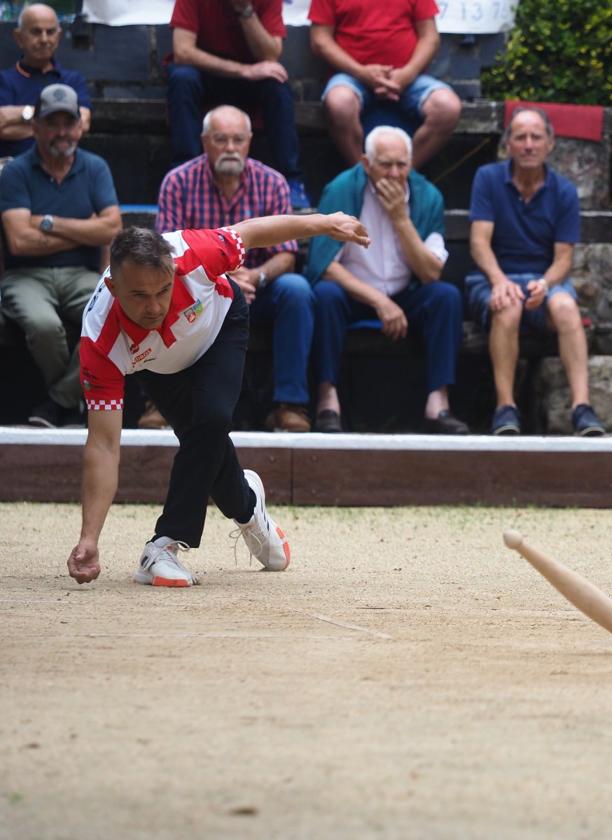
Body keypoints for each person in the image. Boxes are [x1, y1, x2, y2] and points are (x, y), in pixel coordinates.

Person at [66, 212, 370, 589]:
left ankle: (163, 545)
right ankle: (248, 507)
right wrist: (89, 538)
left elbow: (253, 231)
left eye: (163, 290)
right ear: (113, 289)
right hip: (157, 366)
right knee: (203, 439)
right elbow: (104, 444)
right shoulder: (99, 341)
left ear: (174, 271)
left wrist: (324, 223)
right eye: (139, 296)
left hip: (220, 326)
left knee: (210, 421)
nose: (155, 307)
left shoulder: (195, 253)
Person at [156, 104, 316, 433]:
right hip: (199, 292)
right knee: (161, 288)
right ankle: (162, 402)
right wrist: (221, 279)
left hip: (258, 288)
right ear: (204, 141)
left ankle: (290, 405)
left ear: (249, 141)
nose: (230, 148)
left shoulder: (272, 183)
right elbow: (167, 256)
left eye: (237, 140)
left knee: (297, 290)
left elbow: (286, 255)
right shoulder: (178, 182)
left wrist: (256, 276)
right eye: (221, 139)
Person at [307, 125, 467, 434]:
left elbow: (430, 272)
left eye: (401, 165)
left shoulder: (427, 195)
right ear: (367, 163)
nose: (394, 173)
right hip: (353, 293)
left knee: (446, 296)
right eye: (385, 164)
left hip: (405, 292)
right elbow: (324, 264)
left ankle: (439, 403)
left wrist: (400, 219)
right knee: (325, 294)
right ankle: (328, 399)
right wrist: (379, 301)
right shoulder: (341, 189)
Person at [467, 106, 605, 437]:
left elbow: (563, 259)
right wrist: (500, 282)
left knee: (566, 307)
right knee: (508, 304)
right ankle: (505, 408)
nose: (528, 145)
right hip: (493, 277)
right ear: (508, 145)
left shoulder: (564, 191)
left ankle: (581, 408)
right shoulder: (487, 178)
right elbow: (479, 243)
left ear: (550, 144)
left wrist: (544, 284)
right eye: (520, 138)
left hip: (544, 279)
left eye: (536, 137)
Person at [0, 83, 119, 427]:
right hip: (26, 276)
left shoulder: (95, 167)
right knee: (44, 326)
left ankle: (57, 402)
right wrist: (85, 231)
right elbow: (19, 241)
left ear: (80, 127)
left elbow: (111, 228)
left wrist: (47, 223)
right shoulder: (16, 172)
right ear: (35, 127)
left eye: (69, 123)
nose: (62, 132)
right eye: (53, 123)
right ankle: (73, 402)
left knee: (112, 314)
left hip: (81, 275)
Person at [166, 0, 310, 208]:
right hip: (207, 75)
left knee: (277, 85)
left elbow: (270, 55)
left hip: (249, 81)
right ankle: (184, 172)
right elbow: (183, 51)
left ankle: (291, 179)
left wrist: (246, 11)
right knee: (182, 78)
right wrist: (243, 70)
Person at [309, 0, 462, 170]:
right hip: (351, 76)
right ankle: (363, 175)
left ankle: (404, 174)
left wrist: (408, 73)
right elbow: (320, 41)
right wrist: (360, 72)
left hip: (408, 79)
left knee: (447, 107)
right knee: (339, 103)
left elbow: (430, 37)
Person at [0, 3, 91, 159]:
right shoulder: (3, 80)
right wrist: (57, 128)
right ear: (19, 37)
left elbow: (83, 124)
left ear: (59, 35)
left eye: (50, 32)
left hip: (61, 175)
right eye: (36, 32)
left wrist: (21, 116)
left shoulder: (73, 81)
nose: (44, 39)